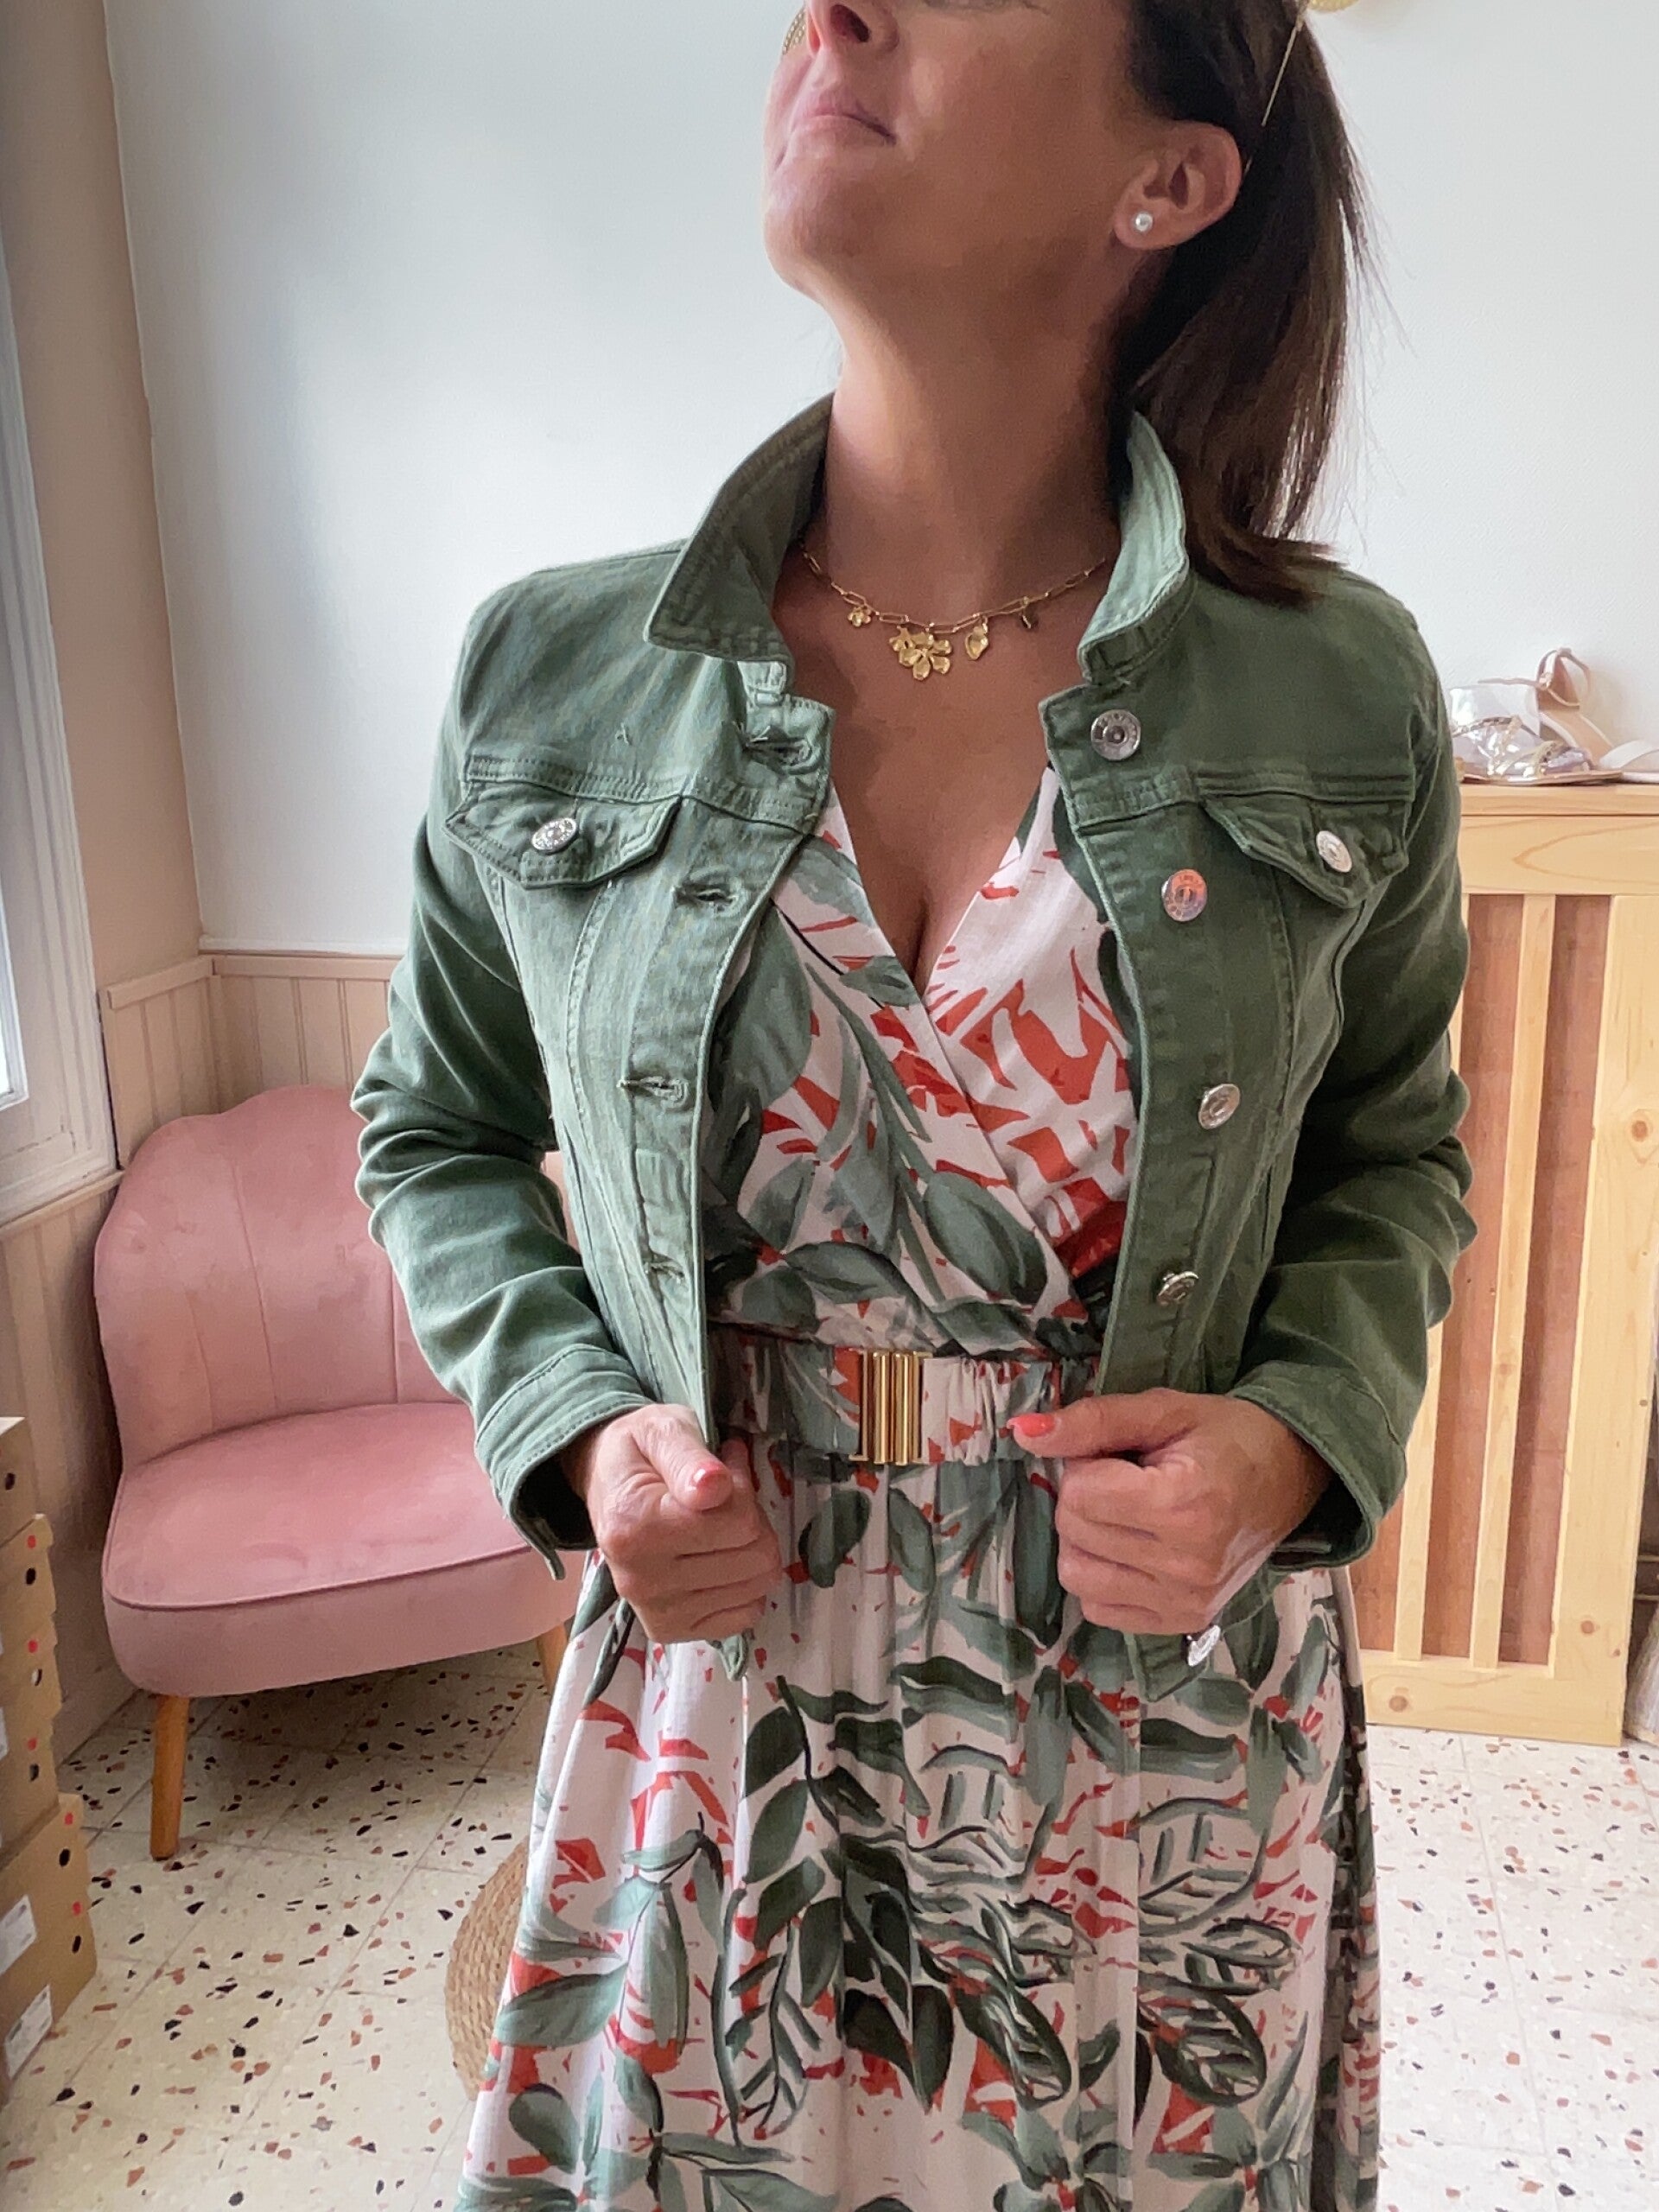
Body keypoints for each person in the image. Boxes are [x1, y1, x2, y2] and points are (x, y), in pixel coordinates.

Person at [353, 3, 1476, 2206]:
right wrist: (580, 1427)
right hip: (722, 1695)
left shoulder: (1336, 691)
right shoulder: (554, 677)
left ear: (1169, 181)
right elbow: (435, 1127)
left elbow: (1394, 1154)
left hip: (1163, 1727)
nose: (832, 9)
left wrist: (1286, 1443)